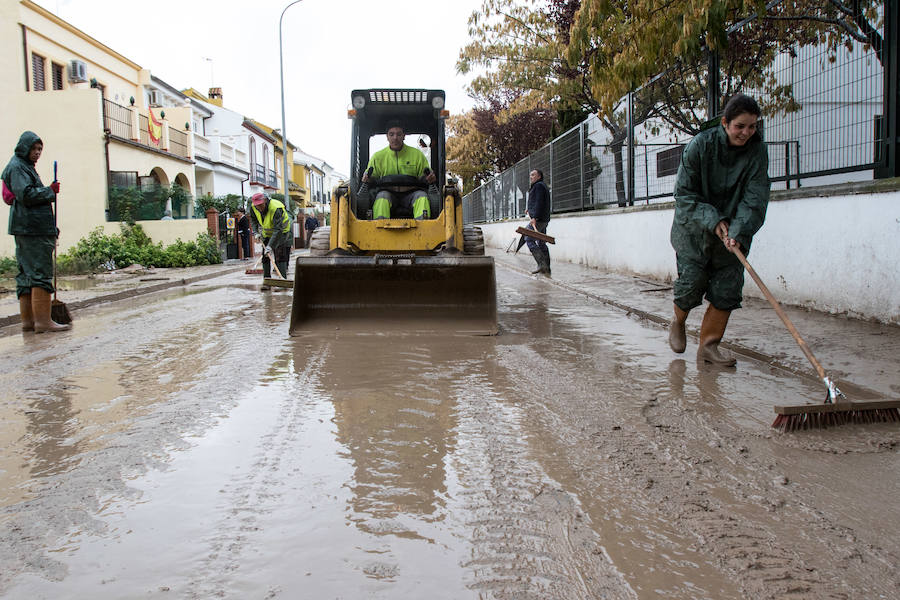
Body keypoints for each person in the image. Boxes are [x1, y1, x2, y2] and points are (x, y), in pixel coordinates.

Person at [668, 94, 770, 366]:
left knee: (727, 290)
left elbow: (755, 197)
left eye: (752, 127)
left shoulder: (757, 151)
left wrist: (738, 229)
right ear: (725, 123)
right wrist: (712, 219)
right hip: (693, 231)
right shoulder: (700, 146)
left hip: (732, 234)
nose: (746, 133)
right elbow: (684, 195)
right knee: (691, 285)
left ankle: (709, 347)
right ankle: (678, 320)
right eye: (740, 126)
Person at [2, 131, 70, 333]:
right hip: (31, 229)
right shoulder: (18, 167)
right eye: (34, 148)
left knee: (27, 275)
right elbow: (26, 195)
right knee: (39, 273)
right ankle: (43, 322)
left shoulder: (23, 167)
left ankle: (29, 321)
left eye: (40, 149)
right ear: (24, 147)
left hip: (29, 227)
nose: (37, 153)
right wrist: (49, 191)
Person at [361, 120, 436, 220]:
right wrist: (367, 179)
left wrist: (429, 178)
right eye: (391, 134)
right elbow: (372, 178)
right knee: (382, 198)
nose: (395, 138)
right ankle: (379, 232)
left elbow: (424, 177)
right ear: (387, 137)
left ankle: (423, 232)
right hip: (388, 193)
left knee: (422, 197)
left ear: (404, 136)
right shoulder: (378, 157)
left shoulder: (417, 155)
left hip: (411, 194)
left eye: (399, 134)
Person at [249, 193, 292, 285]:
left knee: (279, 254)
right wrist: (256, 232)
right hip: (267, 233)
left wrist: (270, 246)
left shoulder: (276, 208)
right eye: (257, 206)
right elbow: (253, 220)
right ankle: (267, 280)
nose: (259, 208)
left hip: (281, 232)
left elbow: (278, 229)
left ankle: (282, 280)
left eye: (261, 205)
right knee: (265, 255)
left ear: (265, 200)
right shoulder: (253, 207)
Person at [525, 169, 551, 275]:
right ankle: (547, 268)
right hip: (543, 218)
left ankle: (542, 264)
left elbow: (539, 202)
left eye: (533, 175)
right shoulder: (541, 185)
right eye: (530, 175)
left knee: (528, 238)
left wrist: (534, 217)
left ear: (539, 176)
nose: (531, 177)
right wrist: (529, 209)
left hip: (539, 219)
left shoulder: (539, 186)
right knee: (541, 242)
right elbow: (536, 201)